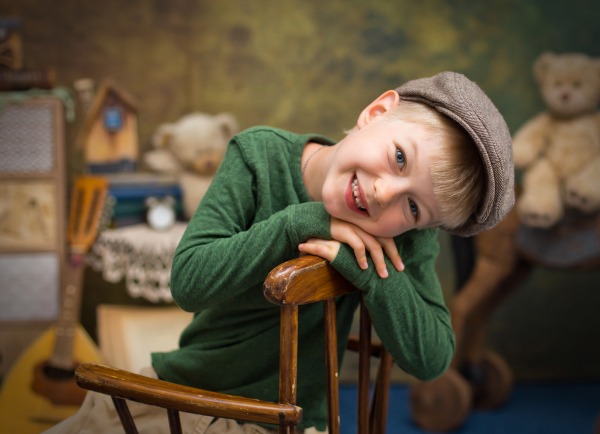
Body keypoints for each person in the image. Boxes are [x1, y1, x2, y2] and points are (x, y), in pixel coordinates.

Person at [44, 71, 514, 434]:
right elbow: (187, 282)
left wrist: (372, 273)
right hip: (185, 394)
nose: (384, 193)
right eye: (399, 158)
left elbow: (433, 358)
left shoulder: (405, 237)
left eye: (413, 207)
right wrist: (296, 224)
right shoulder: (258, 156)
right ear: (375, 112)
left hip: (284, 423)